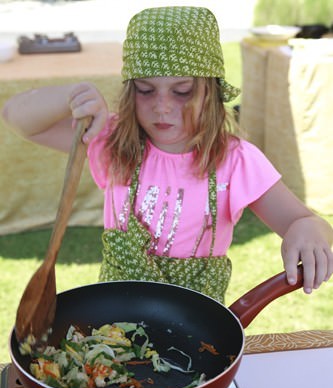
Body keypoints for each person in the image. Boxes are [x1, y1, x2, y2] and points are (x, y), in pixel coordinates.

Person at [2, 6, 333, 302]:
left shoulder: (236, 162)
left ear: (210, 91)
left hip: (194, 332)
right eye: (146, 90)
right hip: (113, 323)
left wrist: (307, 230)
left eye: (182, 91)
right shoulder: (112, 142)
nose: (162, 107)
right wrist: (70, 95)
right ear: (131, 91)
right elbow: (17, 118)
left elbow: (304, 221)